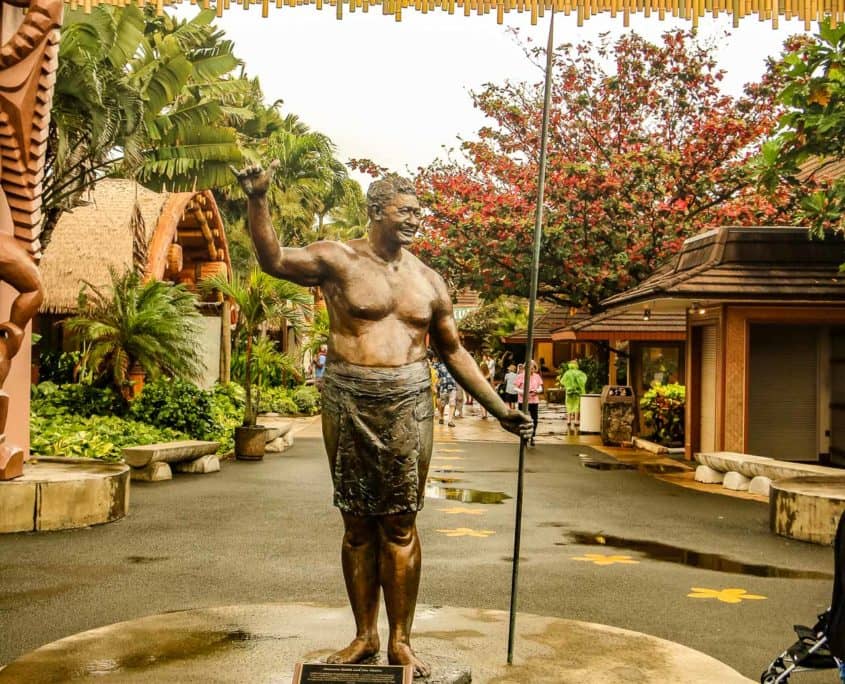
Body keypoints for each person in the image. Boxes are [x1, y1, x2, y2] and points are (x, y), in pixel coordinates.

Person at [234, 164, 532, 677]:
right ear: (377, 211)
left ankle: (401, 641)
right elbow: (274, 259)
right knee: (356, 524)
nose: (416, 219)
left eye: (420, 212)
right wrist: (258, 201)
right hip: (350, 396)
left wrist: (501, 409)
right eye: (406, 211)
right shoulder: (336, 258)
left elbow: (453, 351)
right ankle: (363, 636)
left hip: (410, 400)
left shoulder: (429, 280)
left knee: (400, 522)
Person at [514, 361, 543, 446]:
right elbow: (515, 387)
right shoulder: (520, 376)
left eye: (533, 368)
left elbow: (540, 387)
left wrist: (538, 390)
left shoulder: (537, 376)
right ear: (525, 367)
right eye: (530, 367)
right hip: (523, 401)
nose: (532, 369)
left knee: (534, 419)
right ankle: (523, 437)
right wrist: (522, 391)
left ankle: (532, 436)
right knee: (522, 419)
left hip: (534, 400)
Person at [561, 359, 588, 436]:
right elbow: (584, 381)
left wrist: (568, 385)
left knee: (569, 405)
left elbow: (562, 381)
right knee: (577, 406)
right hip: (577, 392)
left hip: (569, 392)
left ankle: (568, 420)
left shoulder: (567, 373)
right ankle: (576, 420)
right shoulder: (580, 373)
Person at [433, 356, 457, 427]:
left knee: (452, 404)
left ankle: (450, 421)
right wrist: (435, 385)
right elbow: (437, 376)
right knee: (442, 404)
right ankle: (441, 416)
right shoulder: (438, 365)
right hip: (443, 387)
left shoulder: (453, 365)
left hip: (453, 386)